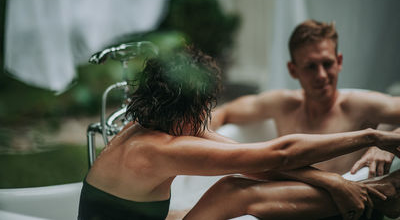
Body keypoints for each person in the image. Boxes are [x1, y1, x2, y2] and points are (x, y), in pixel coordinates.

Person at [78, 45, 400, 220]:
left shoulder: (153, 126)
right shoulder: (158, 150)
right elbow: (280, 153)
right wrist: (373, 137)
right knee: (235, 193)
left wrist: (332, 180)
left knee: (234, 185)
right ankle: (381, 196)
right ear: (186, 110)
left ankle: (375, 195)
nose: (205, 117)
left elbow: (255, 161)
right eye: (203, 108)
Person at [211, 19, 400, 177]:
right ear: (293, 70)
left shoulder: (359, 106)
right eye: (310, 66)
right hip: (290, 202)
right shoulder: (283, 105)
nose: (321, 75)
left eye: (327, 64)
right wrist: (202, 132)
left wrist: (386, 145)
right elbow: (225, 112)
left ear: (339, 62)